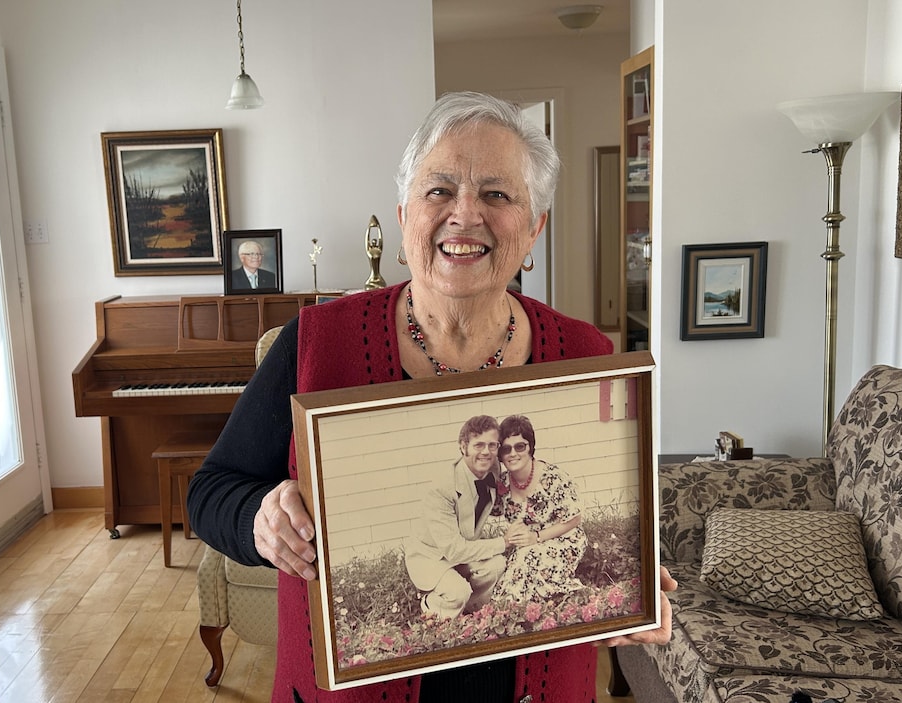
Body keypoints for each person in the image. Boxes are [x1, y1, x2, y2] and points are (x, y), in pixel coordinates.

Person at [188, 91, 674, 703]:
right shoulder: (315, 343)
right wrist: (260, 519)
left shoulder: (586, 354)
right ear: (404, 216)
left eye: (497, 194)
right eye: (439, 190)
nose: (464, 215)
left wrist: (629, 585)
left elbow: (596, 514)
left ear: (534, 228)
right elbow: (209, 494)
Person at [403, 415, 515, 619]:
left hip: (463, 548)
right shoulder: (442, 488)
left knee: (497, 565)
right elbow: (454, 550)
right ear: (463, 447)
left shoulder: (493, 469)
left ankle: (472, 611)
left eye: (492, 445)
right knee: (457, 592)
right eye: (478, 445)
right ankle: (432, 607)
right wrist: (503, 542)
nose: (486, 452)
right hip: (432, 556)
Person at [491, 414, 589, 603]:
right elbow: (486, 510)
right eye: (506, 449)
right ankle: (512, 608)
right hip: (527, 544)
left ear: (530, 447)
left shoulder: (553, 477)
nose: (513, 453)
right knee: (518, 565)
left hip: (563, 539)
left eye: (520, 446)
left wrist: (536, 537)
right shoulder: (503, 483)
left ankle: (516, 607)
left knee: (528, 559)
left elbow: (575, 518)